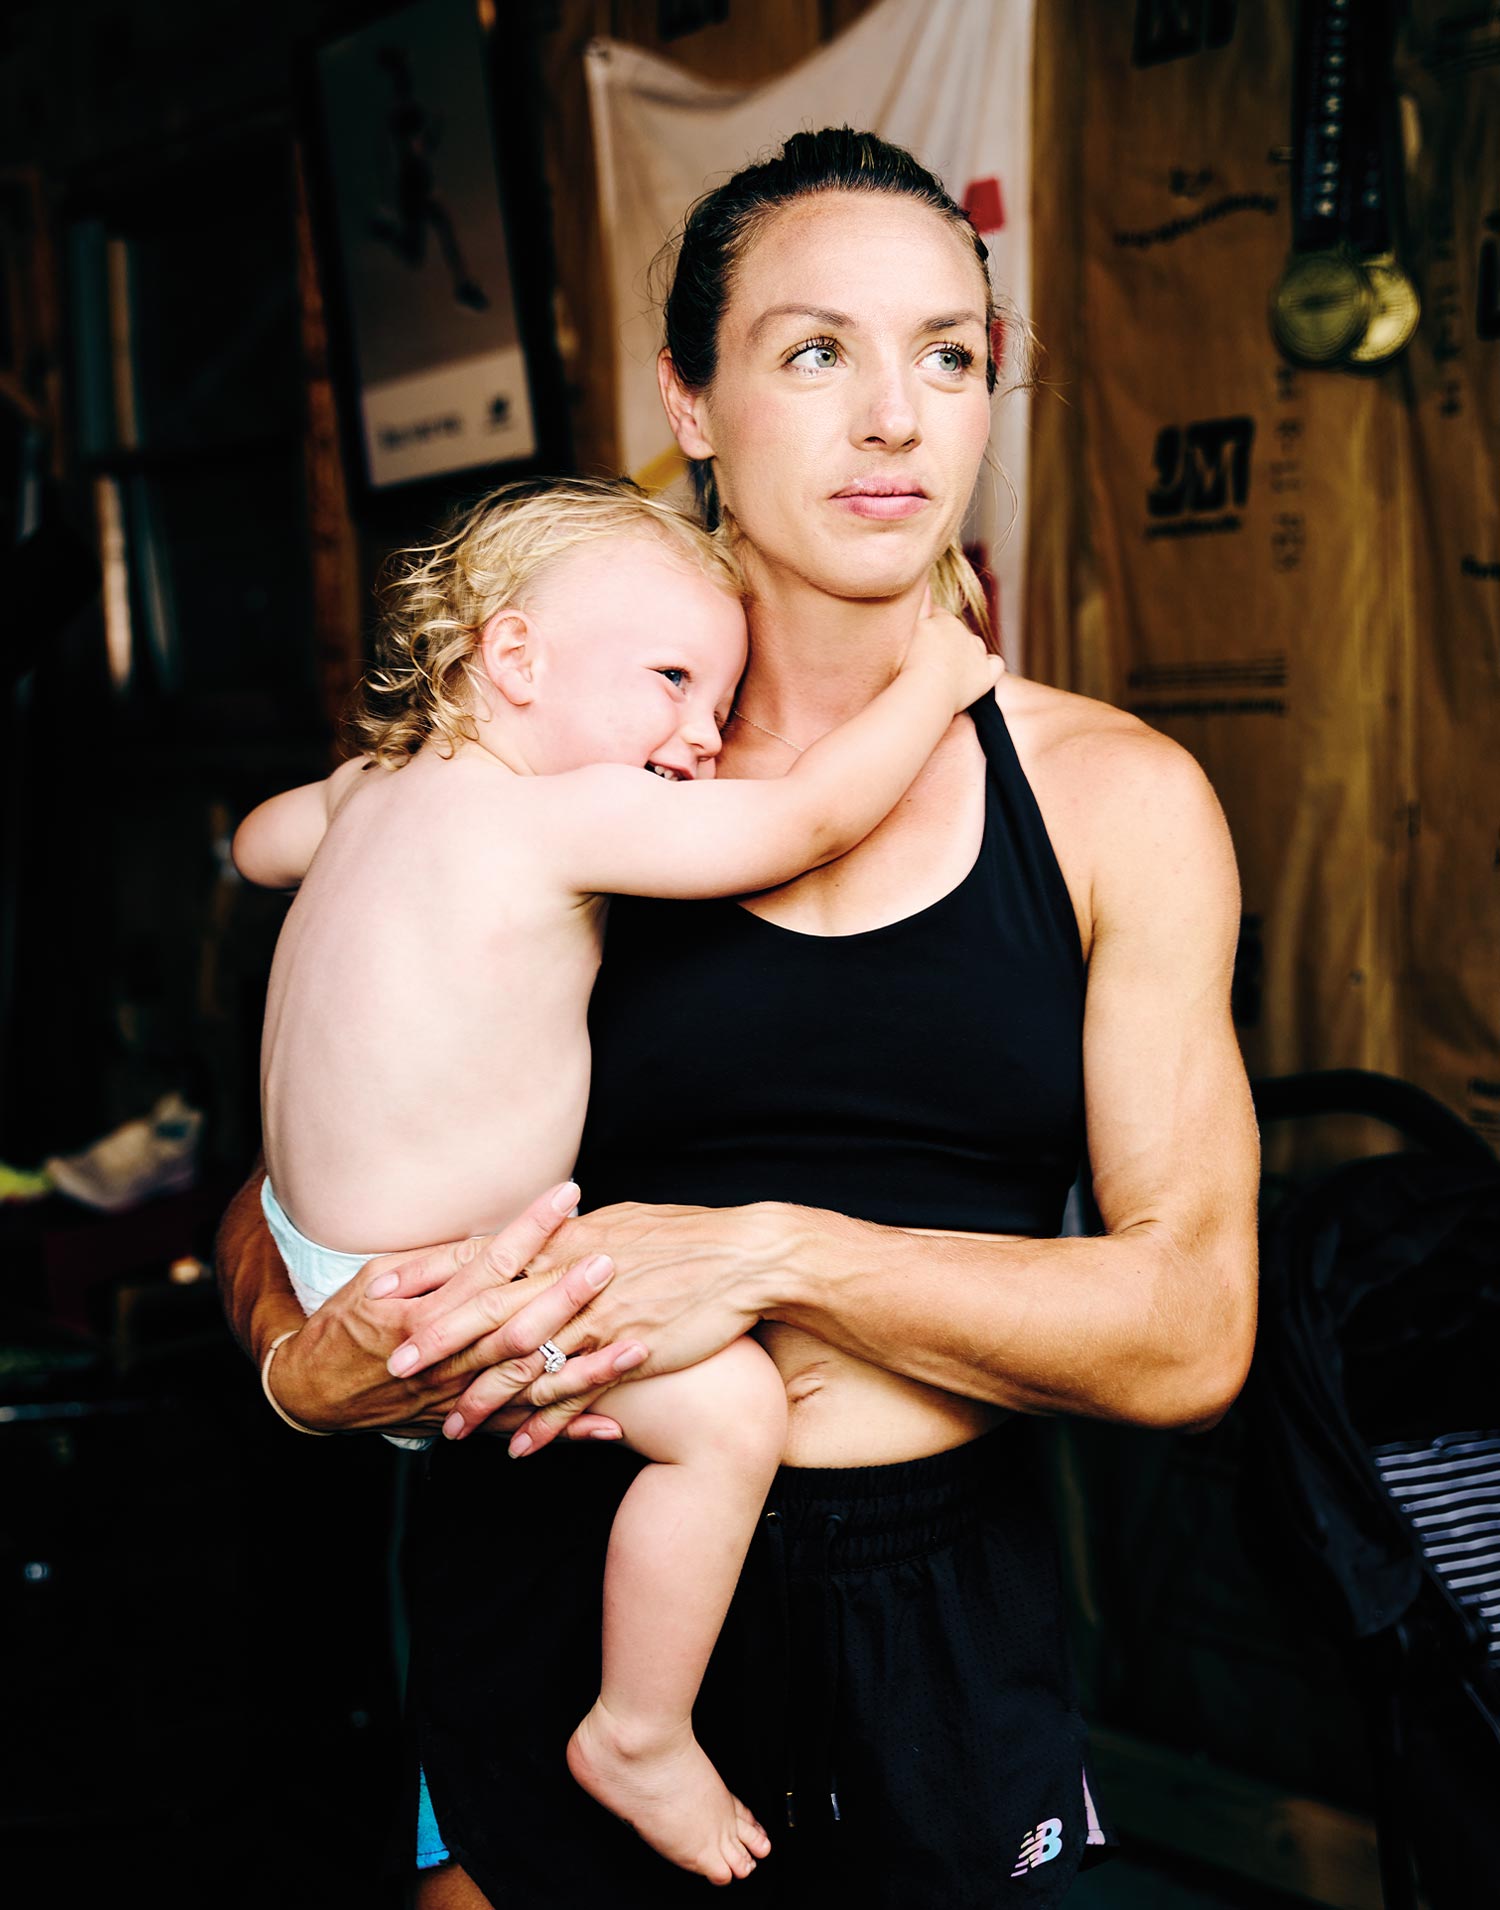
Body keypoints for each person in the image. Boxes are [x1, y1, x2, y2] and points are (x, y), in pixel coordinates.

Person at [217, 128, 1259, 1909]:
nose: (894, 418)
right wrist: (297, 1363)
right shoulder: (551, 775)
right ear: (688, 399)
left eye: (949, 353)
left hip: (933, 1625)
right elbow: (288, 1179)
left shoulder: (1116, 801)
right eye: (816, 350)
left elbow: (1195, 1327)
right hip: (548, 1606)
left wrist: (777, 1255)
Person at [230, 475, 999, 1884]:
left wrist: (354, 805)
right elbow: (803, 823)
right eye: (671, 681)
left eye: (722, 699)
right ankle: (638, 1729)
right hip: (446, 1291)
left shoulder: (372, 794)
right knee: (730, 1413)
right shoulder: (555, 818)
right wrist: (938, 680)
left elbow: (254, 844)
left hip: (322, 1254)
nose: (701, 735)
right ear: (515, 660)